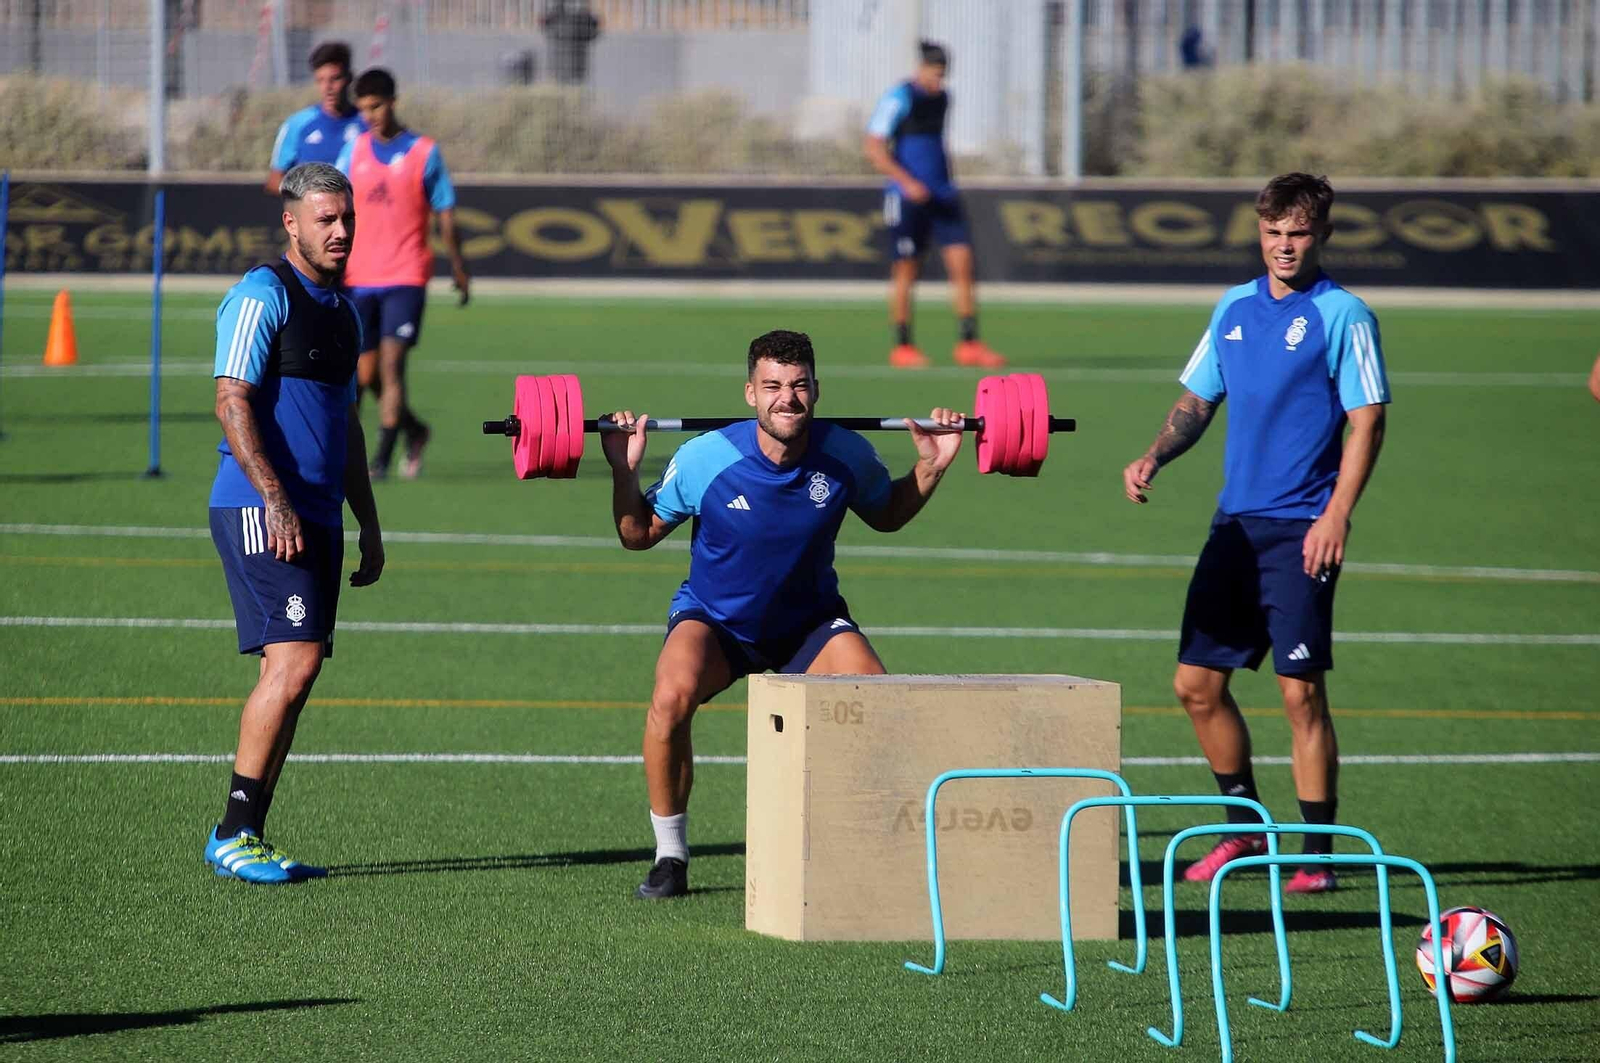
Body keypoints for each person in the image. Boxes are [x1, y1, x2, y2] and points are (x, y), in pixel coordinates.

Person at [603, 329, 964, 899]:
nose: (787, 399)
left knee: (879, 705)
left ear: (817, 390)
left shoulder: (846, 454)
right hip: (716, 622)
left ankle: (858, 850)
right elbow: (637, 533)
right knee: (670, 700)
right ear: (750, 393)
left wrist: (932, 466)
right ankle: (670, 856)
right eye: (772, 386)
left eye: (798, 386)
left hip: (808, 625)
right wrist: (624, 473)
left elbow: (888, 515)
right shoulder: (705, 457)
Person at [1121, 172, 1390, 894]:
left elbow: (1368, 421)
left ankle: (1317, 855)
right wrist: (1155, 454)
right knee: (1195, 685)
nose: (1284, 246)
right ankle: (1243, 828)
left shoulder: (1344, 315)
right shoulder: (1233, 307)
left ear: (1322, 234)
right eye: (1273, 232)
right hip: (1235, 525)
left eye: (1298, 233)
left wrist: (1337, 513)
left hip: (1303, 527)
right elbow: (1197, 399)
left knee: (1300, 694)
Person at [205, 162, 385, 883]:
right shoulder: (262, 293)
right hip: (260, 507)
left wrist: (369, 522)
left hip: (317, 513)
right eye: (325, 219)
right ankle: (232, 833)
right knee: (296, 662)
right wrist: (275, 498)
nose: (340, 231)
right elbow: (231, 400)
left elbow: (348, 425)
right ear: (291, 222)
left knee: (293, 673)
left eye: (347, 218)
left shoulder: (345, 311)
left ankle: (247, 833)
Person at [335, 67, 470, 480]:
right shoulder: (353, 151)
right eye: (363, 109)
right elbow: (335, 201)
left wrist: (459, 267)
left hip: (406, 275)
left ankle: (378, 460)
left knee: (392, 366)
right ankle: (413, 430)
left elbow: (445, 213)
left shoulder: (424, 152)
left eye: (376, 106)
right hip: (359, 278)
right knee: (365, 374)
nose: (370, 116)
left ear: (393, 102)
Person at [864, 41, 1005, 371]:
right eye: (934, 74)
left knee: (963, 264)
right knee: (907, 269)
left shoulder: (942, 98)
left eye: (943, 75)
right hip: (906, 198)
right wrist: (908, 182)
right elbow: (873, 147)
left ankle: (969, 343)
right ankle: (903, 345)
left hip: (943, 194)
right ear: (921, 68)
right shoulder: (899, 97)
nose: (938, 81)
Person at [264, 42, 366, 196]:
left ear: (349, 78)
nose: (328, 87)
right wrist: (307, 197)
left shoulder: (366, 123)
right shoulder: (297, 124)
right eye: (321, 80)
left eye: (335, 79)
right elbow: (274, 180)